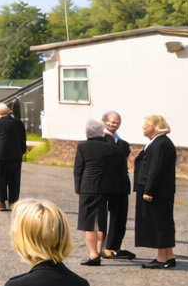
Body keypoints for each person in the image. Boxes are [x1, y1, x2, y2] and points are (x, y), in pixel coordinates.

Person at [73, 119, 126, 266]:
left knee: (89, 223)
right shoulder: (114, 148)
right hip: (108, 189)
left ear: (87, 132)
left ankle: (93, 254)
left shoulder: (83, 146)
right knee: (101, 221)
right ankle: (99, 250)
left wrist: (78, 189)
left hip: (89, 188)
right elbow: (119, 169)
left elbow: (78, 169)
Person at [134, 115, 178, 268]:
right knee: (164, 222)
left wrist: (149, 190)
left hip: (157, 191)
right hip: (160, 190)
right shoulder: (160, 142)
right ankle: (169, 256)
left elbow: (156, 169)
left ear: (154, 127)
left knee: (158, 223)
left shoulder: (160, 143)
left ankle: (161, 259)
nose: (143, 128)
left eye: (145, 125)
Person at [99, 111, 134, 260]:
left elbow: (124, 152)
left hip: (120, 184)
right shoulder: (98, 140)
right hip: (103, 184)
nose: (114, 124)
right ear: (104, 121)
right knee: (100, 218)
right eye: (112, 121)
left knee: (119, 218)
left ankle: (112, 247)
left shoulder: (122, 142)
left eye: (117, 122)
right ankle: (101, 248)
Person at [0, 103, 28, 211]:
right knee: (14, 180)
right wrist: (21, 152)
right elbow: (23, 140)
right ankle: (14, 202)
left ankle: (0, 202)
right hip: (15, 156)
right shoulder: (19, 123)